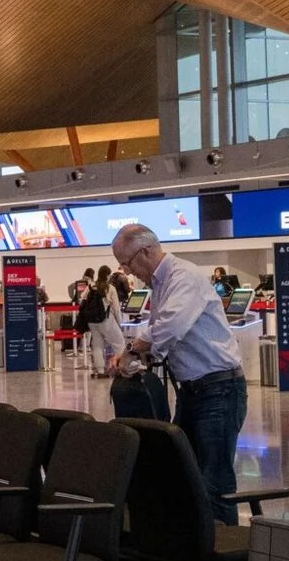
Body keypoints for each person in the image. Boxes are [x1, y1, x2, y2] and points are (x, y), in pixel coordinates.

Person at [112, 222, 247, 524]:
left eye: (127, 262)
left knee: (214, 479)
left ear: (145, 251)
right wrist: (136, 354)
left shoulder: (183, 277)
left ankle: (225, 551)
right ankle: (195, 543)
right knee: (184, 469)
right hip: (192, 391)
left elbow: (170, 326)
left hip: (219, 389)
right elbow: (157, 328)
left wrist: (133, 350)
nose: (127, 271)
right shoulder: (161, 284)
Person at [87, 265, 128, 377]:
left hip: (92, 321)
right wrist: (120, 324)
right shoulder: (110, 288)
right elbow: (116, 309)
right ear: (107, 275)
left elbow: (83, 299)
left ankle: (100, 371)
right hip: (106, 320)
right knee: (119, 343)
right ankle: (121, 368)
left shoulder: (91, 286)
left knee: (97, 345)